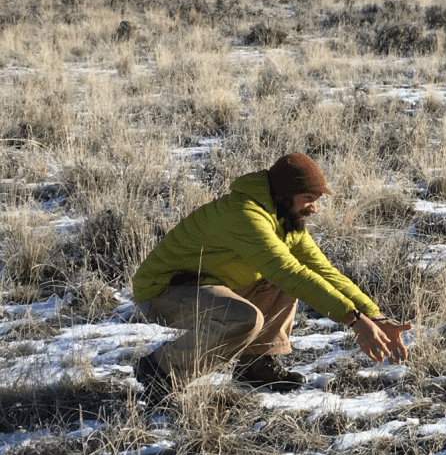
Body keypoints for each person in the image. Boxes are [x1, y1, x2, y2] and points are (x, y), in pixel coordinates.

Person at [131, 152, 411, 396]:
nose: (314, 208)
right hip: (163, 292)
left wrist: (374, 316)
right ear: (285, 194)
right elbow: (288, 271)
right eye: (307, 199)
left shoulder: (285, 220)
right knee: (244, 318)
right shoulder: (245, 215)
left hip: (211, 285)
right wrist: (353, 320)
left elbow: (324, 272)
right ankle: (161, 370)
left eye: (316, 200)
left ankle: (255, 365)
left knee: (286, 282)